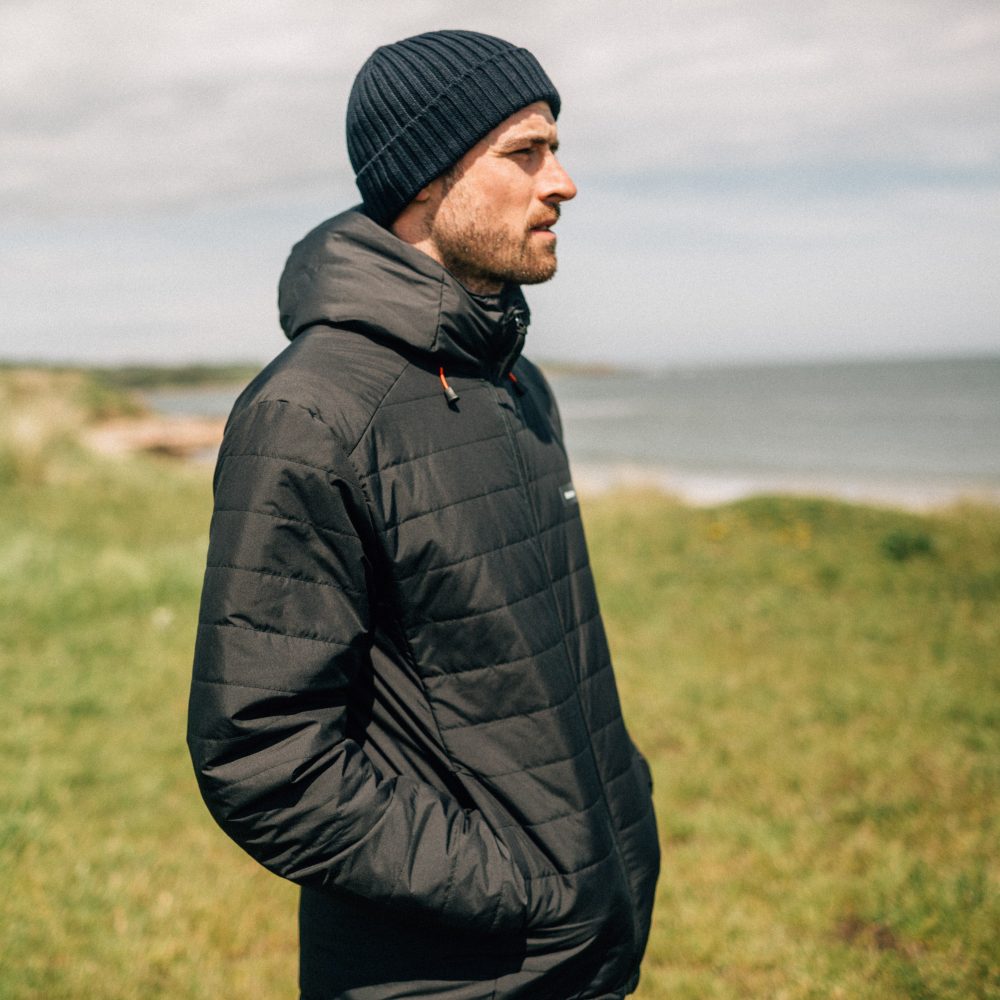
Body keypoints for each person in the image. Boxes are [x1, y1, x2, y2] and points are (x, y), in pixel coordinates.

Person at [187, 29, 659, 1000]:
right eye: (525, 152)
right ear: (426, 181)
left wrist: (617, 817)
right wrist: (515, 884)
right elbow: (264, 756)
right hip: (449, 972)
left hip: (585, 948)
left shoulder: (515, 384)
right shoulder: (310, 414)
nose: (563, 182)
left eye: (556, 148)